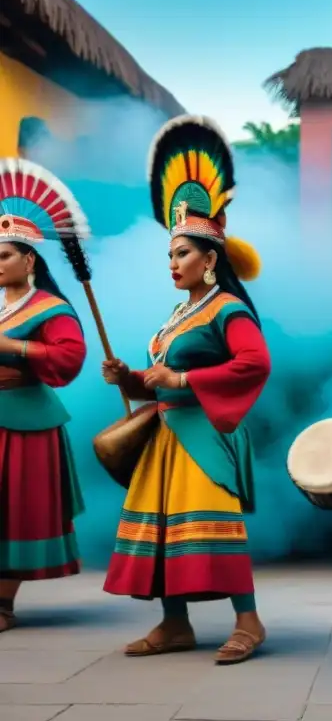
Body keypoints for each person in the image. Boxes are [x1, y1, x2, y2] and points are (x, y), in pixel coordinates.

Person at [101, 115, 271, 664]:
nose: (173, 263)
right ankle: (175, 623)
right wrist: (129, 377)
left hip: (203, 434)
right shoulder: (178, 315)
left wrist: (182, 379)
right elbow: (160, 381)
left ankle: (249, 622)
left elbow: (255, 363)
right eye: (169, 255)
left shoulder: (228, 309)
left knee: (215, 531)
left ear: (211, 258)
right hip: (165, 434)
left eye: (182, 254)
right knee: (166, 532)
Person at [0, 161, 90, 634]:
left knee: (14, 511)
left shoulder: (51, 308)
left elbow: (69, 358)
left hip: (24, 420)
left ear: (30, 260)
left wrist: (13, 347)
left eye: (5, 255)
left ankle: (3, 604)